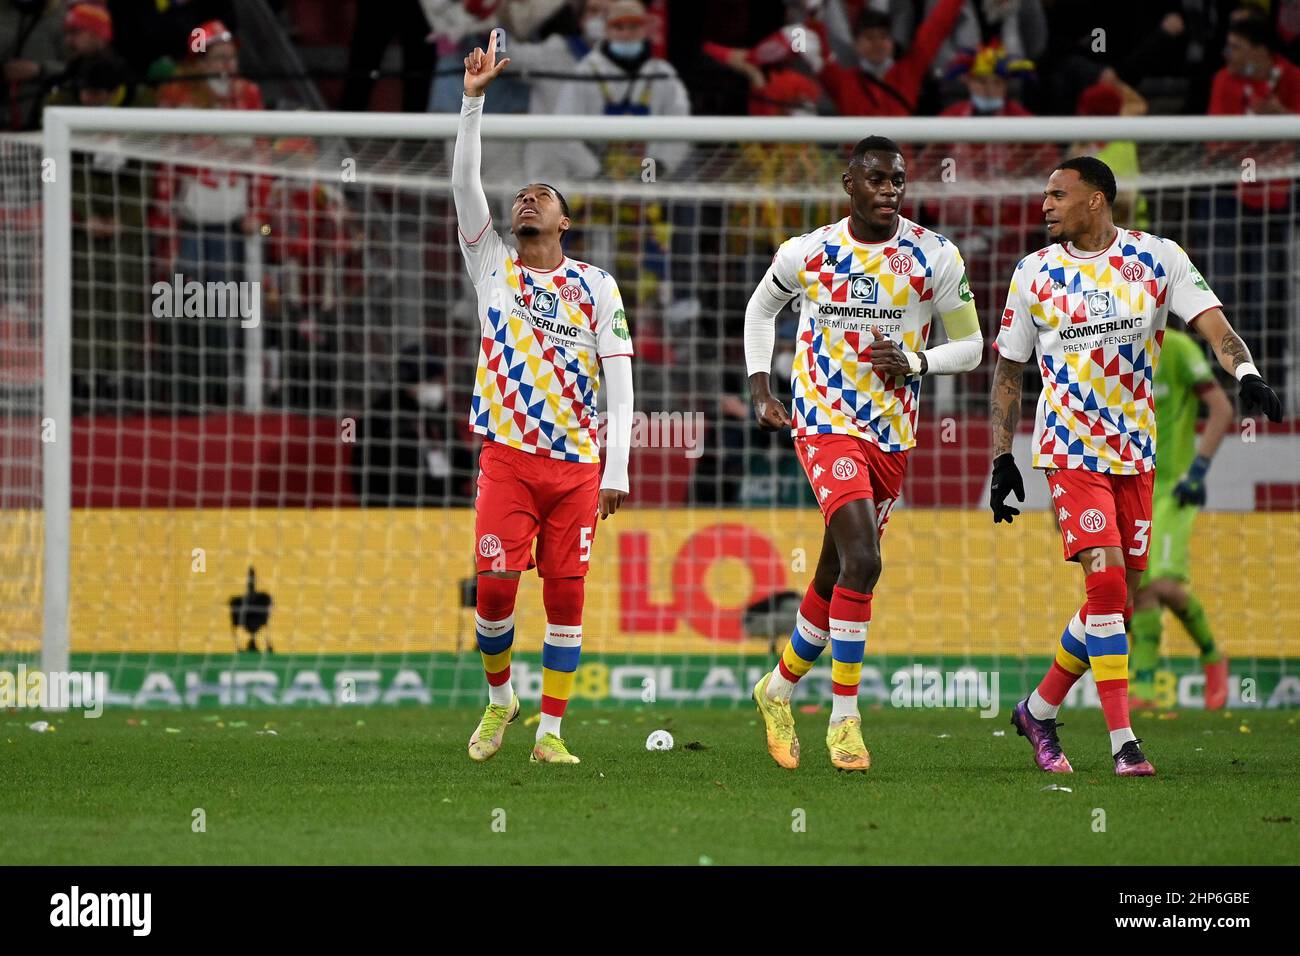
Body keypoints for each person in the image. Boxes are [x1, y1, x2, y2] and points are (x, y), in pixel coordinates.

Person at [989, 157, 1283, 778]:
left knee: (1117, 605)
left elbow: (1212, 325)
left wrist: (1248, 371)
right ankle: (1124, 741)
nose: (1044, 204)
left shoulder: (1158, 258)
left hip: (1135, 454)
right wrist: (1001, 457)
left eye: (1057, 194)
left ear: (1096, 201)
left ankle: (1037, 710)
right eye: (1044, 194)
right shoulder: (1033, 272)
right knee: (1104, 585)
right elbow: (1009, 371)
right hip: (1069, 451)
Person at [744, 135, 983, 771]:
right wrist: (761, 386)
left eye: (897, 181)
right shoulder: (810, 252)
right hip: (824, 423)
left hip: (891, 433)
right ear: (850, 182)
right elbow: (760, 309)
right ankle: (845, 718)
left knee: (837, 574)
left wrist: (917, 361)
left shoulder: (935, 256)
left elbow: (973, 345)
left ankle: (777, 689)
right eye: (876, 179)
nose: (889, 190)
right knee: (865, 558)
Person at [454, 33, 635, 764]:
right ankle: (501, 700)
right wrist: (472, 103)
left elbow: (619, 377)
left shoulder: (597, 286)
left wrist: (617, 467)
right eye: (521, 195)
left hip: (576, 469)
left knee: (566, 601)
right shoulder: (491, 265)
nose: (527, 197)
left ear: (565, 223)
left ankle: (551, 734)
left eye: (544, 196)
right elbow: (466, 186)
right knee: (493, 595)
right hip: (507, 460)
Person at [1129, 321, 1235, 709]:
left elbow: (1222, 409)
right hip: (1134, 484)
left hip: (1174, 488)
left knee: (1163, 584)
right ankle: (1141, 688)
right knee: (1137, 588)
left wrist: (1199, 470)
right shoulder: (1118, 348)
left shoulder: (1177, 350)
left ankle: (1211, 656)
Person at [818, 1, 964, 117]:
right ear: (856, 44)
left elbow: (937, 26)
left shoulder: (908, 72)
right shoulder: (842, 82)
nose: (878, 44)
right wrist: (812, 18)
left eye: (884, 36)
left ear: (892, 41)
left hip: (901, 155)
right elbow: (814, 47)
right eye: (869, 37)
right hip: (856, 154)